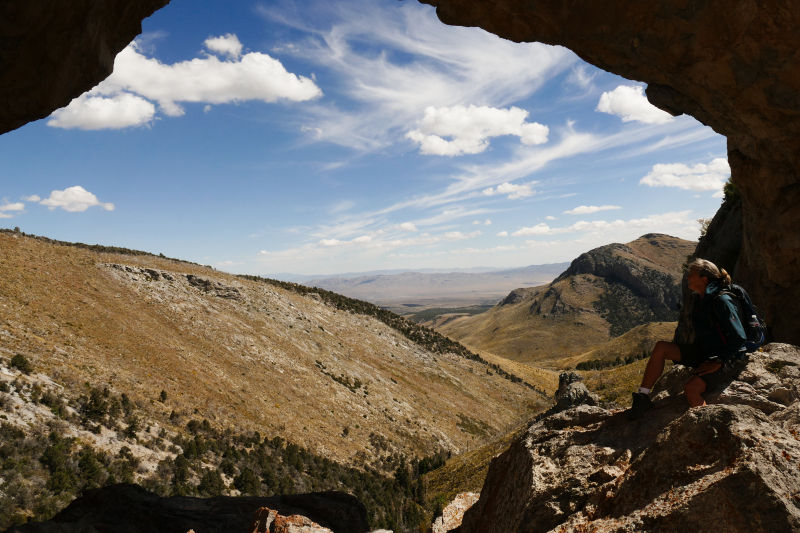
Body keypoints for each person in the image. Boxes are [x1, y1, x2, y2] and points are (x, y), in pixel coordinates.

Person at [626, 258, 747, 420]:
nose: (687, 277)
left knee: (691, 389)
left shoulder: (722, 301)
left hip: (729, 357)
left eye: (691, 275)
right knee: (661, 347)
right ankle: (643, 397)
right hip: (706, 351)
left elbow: (740, 337)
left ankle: (706, 426)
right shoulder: (701, 298)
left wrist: (718, 361)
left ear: (703, 280)